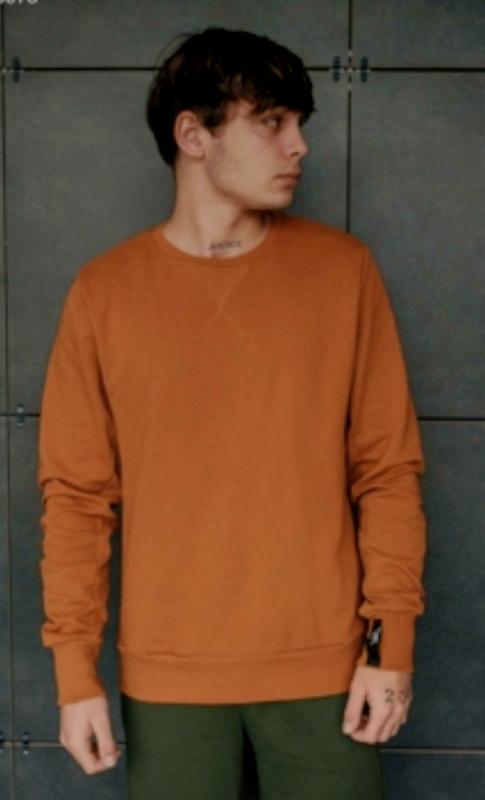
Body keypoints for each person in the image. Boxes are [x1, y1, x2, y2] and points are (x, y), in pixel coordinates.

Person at [37, 25, 427, 800]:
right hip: (168, 680)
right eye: (272, 121)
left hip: (327, 672)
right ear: (194, 135)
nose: (298, 145)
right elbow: (77, 498)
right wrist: (75, 676)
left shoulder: (342, 273)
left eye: (298, 123)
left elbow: (385, 472)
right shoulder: (104, 292)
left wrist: (391, 647)